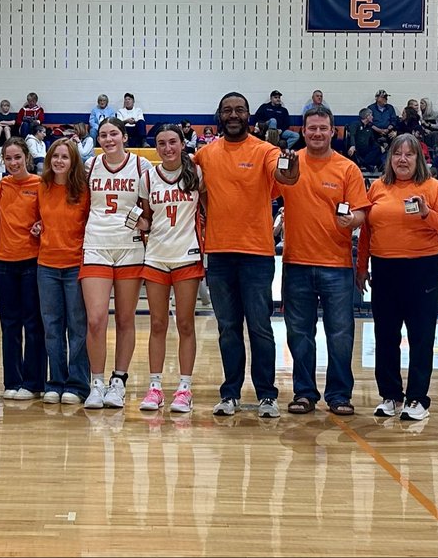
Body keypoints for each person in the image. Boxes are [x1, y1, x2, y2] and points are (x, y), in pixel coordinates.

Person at [193, 92, 299, 418]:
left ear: (249, 115)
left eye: (239, 110)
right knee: (227, 327)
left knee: (259, 327)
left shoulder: (265, 150)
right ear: (219, 116)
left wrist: (290, 166)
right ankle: (230, 393)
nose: (233, 115)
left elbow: (286, 177)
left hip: (256, 253)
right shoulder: (204, 155)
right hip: (220, 253)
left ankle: (267, 394)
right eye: (227, 110)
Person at [356, 134, 438, 421]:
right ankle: (389, 395)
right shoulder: (377, 187)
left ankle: (417, 399)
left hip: (423, 268)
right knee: (385, 335)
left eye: (409, 154)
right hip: (384, 268)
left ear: (419, 159)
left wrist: (427, 214)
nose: (402, 159)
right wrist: (361, 266)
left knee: (421, 335)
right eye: (397, 154)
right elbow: (366, 230)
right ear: (389, 158)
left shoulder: (433, 187)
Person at [280, 107, 369, 416]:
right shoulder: (290, 164)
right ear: (303, 131)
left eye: (323, 128)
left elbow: (361, 212)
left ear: (334, 132)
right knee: (299, 334)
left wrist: (352, 221)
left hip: (337, 265)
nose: (317, 133)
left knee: (341, 335)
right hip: (296, 263)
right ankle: (304, 393)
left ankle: (339, 394)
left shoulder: (348, 169)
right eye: (312, 128)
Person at [80, 118, 153, 410]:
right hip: (96, 244)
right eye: (103, 135)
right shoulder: (90, 166)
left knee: (125, 319)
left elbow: (149, 212)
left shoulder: (141, 167)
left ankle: (118, 381)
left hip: (129, 247)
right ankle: (96, 383)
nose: (109, 139)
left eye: (114, 134)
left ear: (124, 136)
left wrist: (142, 221)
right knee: (96, 319)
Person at [135, 124, 204, 414]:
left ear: (182, 143)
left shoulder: (197, 174)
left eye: (172, 142)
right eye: (161, 143)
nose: (167, 148)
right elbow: (146, 217)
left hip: (187, 256)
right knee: (157, 324)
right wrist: (140, 224)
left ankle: (184, 389)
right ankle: (155, 387)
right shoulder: (148, 178)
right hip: (156, 258)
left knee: (185, 324)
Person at [32, 139, 90, 405]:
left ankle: (77, 384)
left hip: (75, 265)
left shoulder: (84, 190)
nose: (59, 161)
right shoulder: (42, 188)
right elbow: (38, 220)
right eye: (55, 156)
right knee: (52, 327)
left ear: (73, 161)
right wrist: (36, 227)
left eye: (65, 157)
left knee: (77, 327)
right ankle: (55, 381)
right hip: (46, 265)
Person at [0, 138, 44, 401]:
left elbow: (48, 216)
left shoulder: (39, 185)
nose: (13, 163)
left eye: (17, 157)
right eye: (9, 158)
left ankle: (34, 381)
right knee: (9, 324)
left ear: (26, 156)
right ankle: (12, 381)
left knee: (33, 323)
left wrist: (41, 224)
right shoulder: (0, 186)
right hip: (4, 262)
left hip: (32, 262)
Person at [347, 108, 383, 172]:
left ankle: (364, 163)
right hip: (356, 148)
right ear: (367, 116)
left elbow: (372, 140)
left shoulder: (369, 127)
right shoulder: (355, 124)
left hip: (366, 148)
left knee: (378, 149)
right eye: (371, 115)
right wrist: (352, 145)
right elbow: (352, 135)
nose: (372, 117)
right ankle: (368, 165)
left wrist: (380, 147)